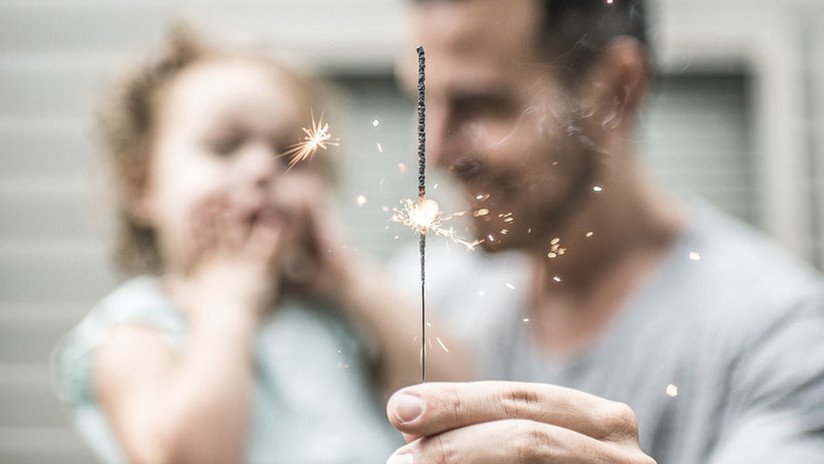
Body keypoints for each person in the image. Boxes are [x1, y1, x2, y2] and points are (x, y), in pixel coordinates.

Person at [385, 0, 824, 462]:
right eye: (422, 102)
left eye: (479, 105)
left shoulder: (780, 341)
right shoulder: (436, 291)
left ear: (616, 91)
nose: (435, 150)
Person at [52, 24, 466, 464]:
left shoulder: (333, 317)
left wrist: (349, 277)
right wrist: (226, 305)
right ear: (141, 185)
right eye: (225, 146)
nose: (262, 169)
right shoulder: (137, 330)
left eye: (291, 155)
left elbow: (457, 393)